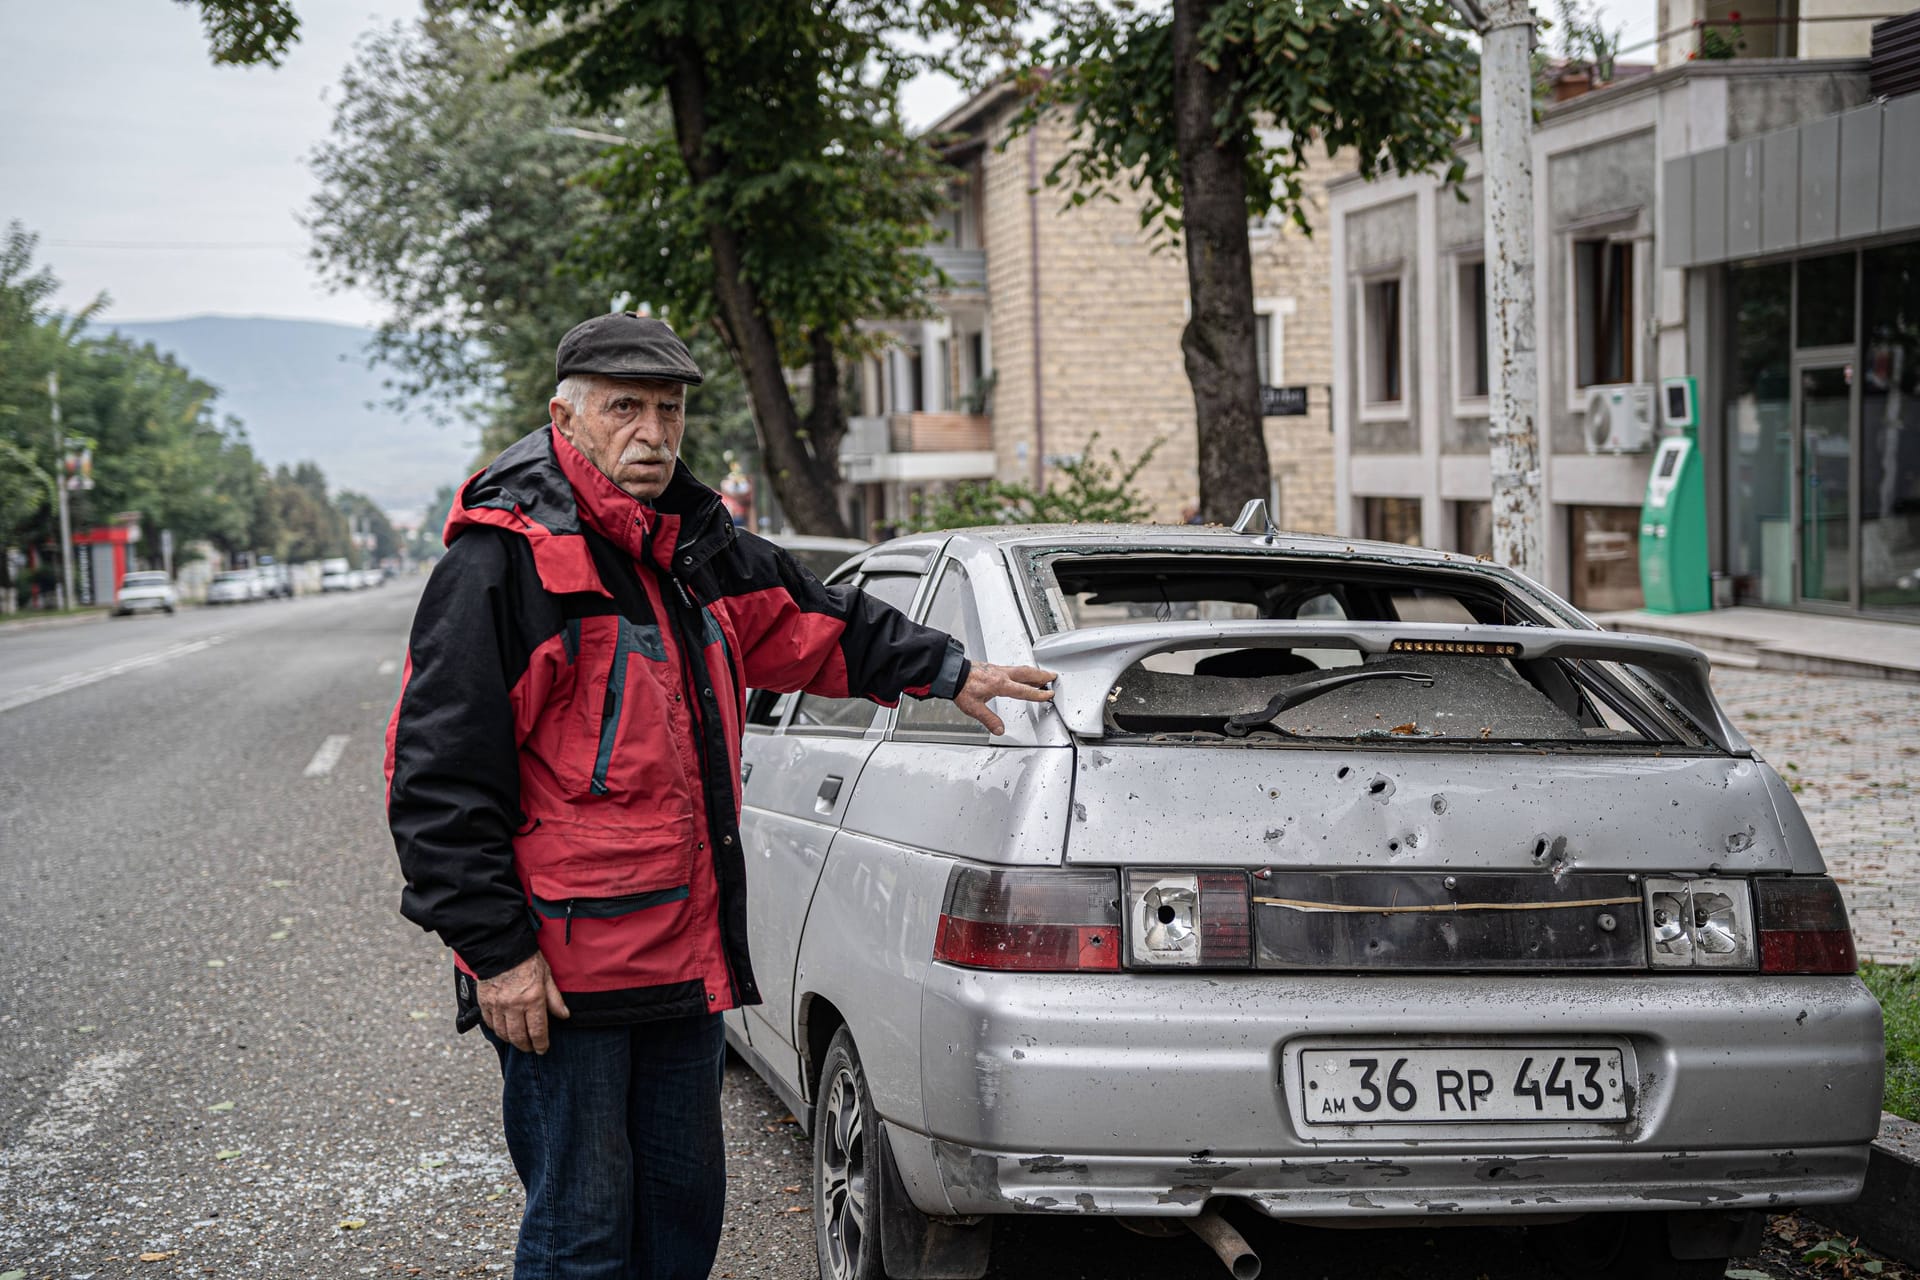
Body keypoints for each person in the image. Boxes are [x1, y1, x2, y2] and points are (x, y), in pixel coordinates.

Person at [384, 312, 1054, 1280]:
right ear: (563, 417)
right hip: (563, 979)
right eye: (625, 409)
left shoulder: (694, 546)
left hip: (680, 966)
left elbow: (816, 622)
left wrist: (949, 668)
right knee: (582, 1232)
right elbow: (435, 779)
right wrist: (498, 954)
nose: (652, 433)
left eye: (669, 409)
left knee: (681, 1223)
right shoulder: (504, 562)